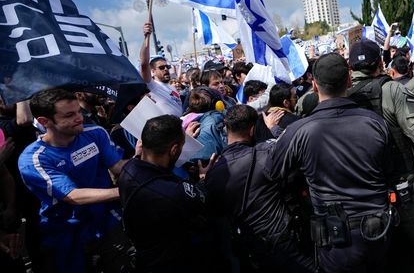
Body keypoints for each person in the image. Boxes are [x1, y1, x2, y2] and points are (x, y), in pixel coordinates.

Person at [267, 53, 393, 272]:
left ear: (314, 86)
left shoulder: (298, 131)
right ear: (349, 81)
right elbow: (389, 169)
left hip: (338, 242)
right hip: (377, 233)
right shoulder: (375, 122)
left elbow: (272, 172)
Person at [347, 40, 414, 272]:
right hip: (404, 190)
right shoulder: (391, 89)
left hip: (364, 200)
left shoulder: (340, 99)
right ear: (381, 63)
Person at [18, 89, 129, 273]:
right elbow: (72, 196)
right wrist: (124, 191)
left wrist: (146, 160)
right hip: (66, 232)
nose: (80, 118)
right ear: (45, 122)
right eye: (69, 115)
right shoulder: (34, 159)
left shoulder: (95, 133)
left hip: (107, 221)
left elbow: (117, 166)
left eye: (78, 111)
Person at [205, 105, 314, 272]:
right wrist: (274, 129)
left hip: (253, 250)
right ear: (252, 130)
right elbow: (295, 147)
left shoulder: (213, 173)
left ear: (227, 129)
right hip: (288, 243)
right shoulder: (266, 153)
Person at [117, 115, 212, 272]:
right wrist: (203, 179)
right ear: (174, 150)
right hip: (173, 260)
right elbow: (202, 203)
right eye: (181, 146)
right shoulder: (173, 192)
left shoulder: (129, 169)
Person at [140, 22, 182, 117]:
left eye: (167, 67)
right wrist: (147, 37)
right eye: (161, 67)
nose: (166, 69)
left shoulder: (173, 88)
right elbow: (144, 64)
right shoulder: (152, 86)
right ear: (153, 71)